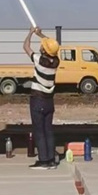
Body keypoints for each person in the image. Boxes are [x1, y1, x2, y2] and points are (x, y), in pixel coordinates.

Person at [23, 26, 60, 168]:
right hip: (49, 101)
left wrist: (30, 33)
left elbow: (26, 46)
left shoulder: (39, 60)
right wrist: (41, 35)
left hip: (38, 100)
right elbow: (52, 47)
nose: (41, 46)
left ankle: (43, 161)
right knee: (48, 130)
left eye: (42, 46)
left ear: (44, 50)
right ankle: (51, 159)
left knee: (39, 131)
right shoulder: (56, 61)